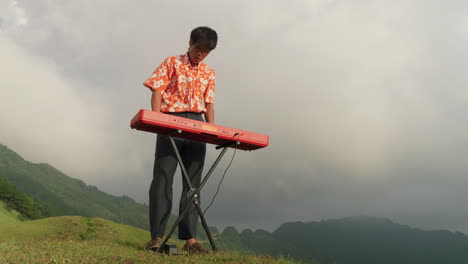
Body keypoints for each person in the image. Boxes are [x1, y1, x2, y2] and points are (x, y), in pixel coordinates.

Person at [142, 26, 218, 254]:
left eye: (206, 51)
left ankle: (191, 240)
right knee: (163, 177)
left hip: (197, 124)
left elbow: (209, 104)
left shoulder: (209, 73)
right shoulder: (172, 62)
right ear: (190, 43)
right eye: (198, 48)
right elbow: (157, 89)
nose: (201, 54)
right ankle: (156, 236)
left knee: (193, 184)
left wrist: (211, 130)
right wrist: (157, 119)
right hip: (171, 120)